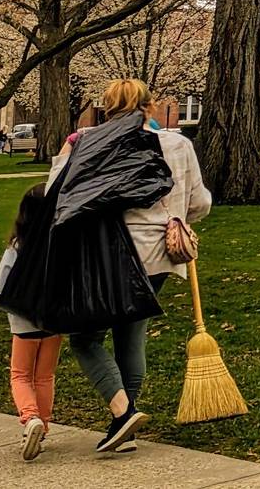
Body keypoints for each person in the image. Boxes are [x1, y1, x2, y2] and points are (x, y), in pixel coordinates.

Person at [53, 79, 211, 453]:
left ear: (106, 106)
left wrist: (66, 153)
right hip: (162, 253)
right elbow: (200, 202)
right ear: (149, 105)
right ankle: (125, 421)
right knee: (131, 333)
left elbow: (57, 190)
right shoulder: (178, 144)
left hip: (111, 253)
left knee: (85, 338)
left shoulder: (88, 143)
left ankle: (123, 413)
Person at [0, 182, 61, 462]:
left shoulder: (16, 248)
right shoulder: (59, 245)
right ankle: (42, 426)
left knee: (20, 374)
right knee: (45, 376)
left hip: (23, 323)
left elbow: (1, 285)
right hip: (53, 321)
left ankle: (29, 416)